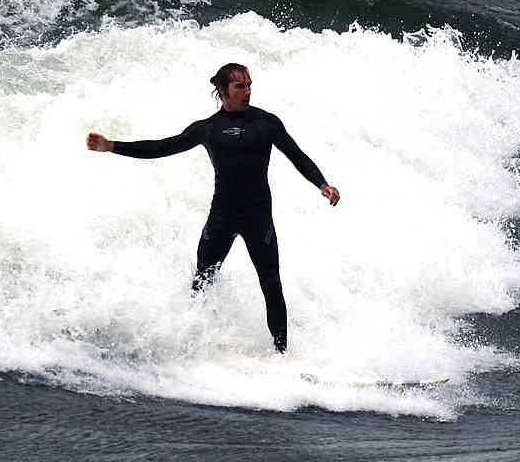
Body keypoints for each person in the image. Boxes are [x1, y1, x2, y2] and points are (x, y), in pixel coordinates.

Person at [85, 63, 339, 353]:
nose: (247, 92)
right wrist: (112, 145)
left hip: (258, 218)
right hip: (222, 217)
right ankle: (189, 349)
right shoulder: (208, 129)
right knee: (202, 283)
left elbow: (297, 156)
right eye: (240, 87)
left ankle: (281, 355)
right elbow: (162, 147)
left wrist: (322, 184)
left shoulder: (267, 123)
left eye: (249, 85)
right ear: (222, 91)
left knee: (271, 284)